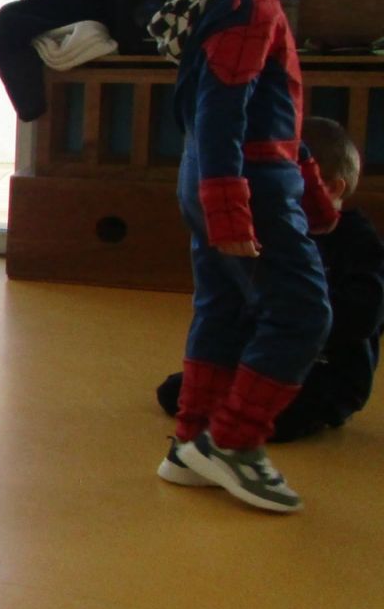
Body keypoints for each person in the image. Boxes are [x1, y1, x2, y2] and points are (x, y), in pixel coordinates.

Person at [148, 0, 330, 512]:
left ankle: (191, 442)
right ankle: (233, 443)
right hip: (245, 188)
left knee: (223, 311)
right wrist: (231, 209)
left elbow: (268, 116)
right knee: (303, 311)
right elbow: (220, 111)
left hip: (217, 180)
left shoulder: (216, 3)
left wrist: (310, 185)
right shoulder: (250, 7)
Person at [157, 116, 383, 445]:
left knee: (281, 418)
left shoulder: (358, 242)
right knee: (175, 392)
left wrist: (299, 317)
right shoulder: (278, 231)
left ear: (331, 187)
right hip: (267, 363)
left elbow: (364, 316)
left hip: (327, 372)